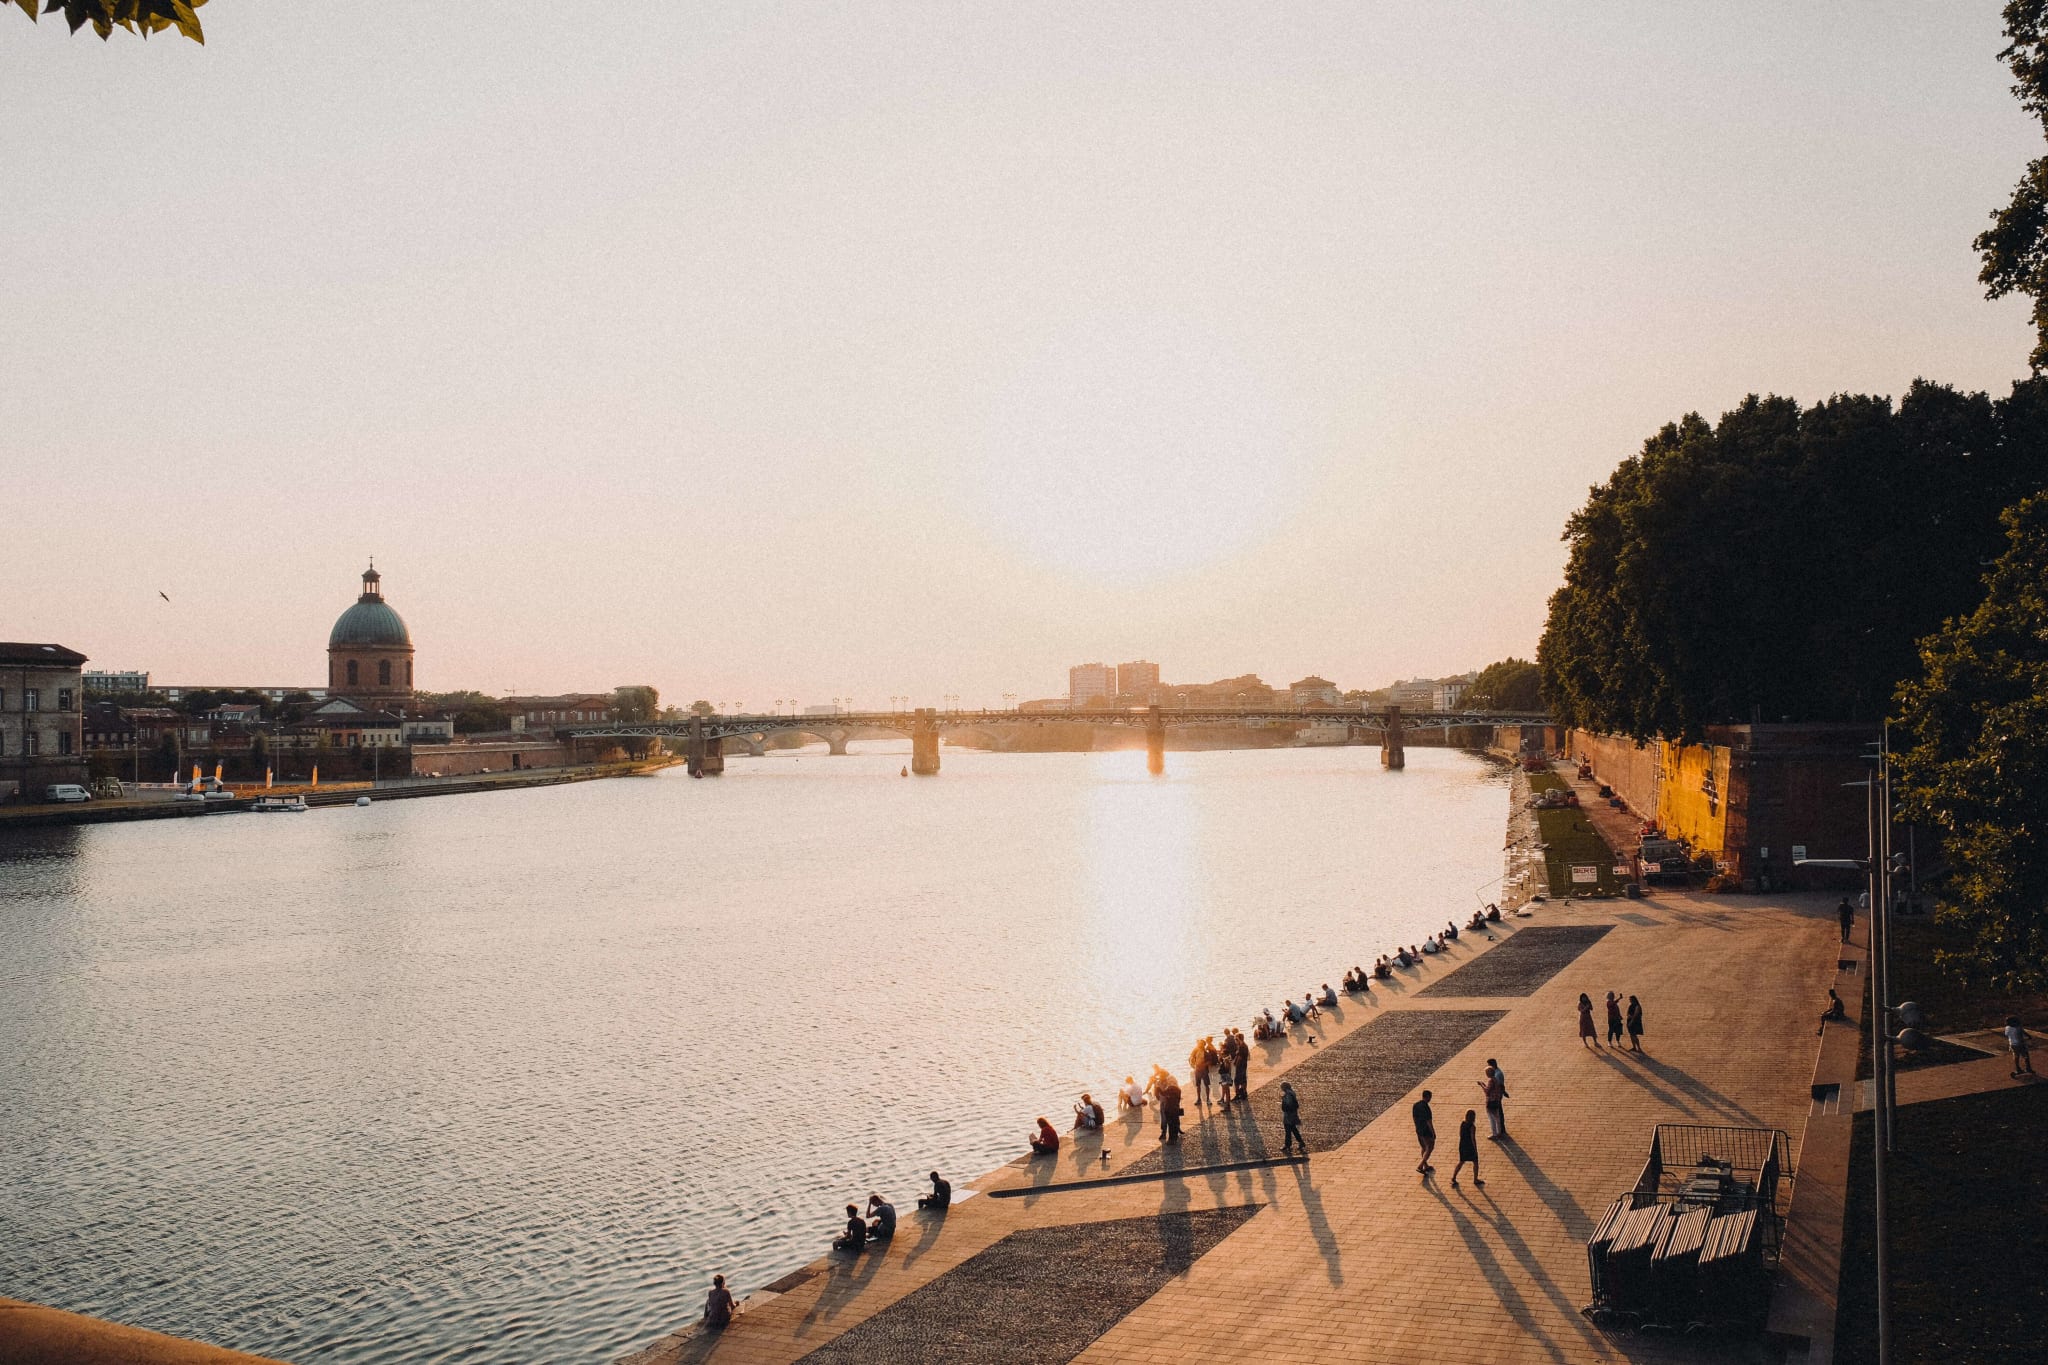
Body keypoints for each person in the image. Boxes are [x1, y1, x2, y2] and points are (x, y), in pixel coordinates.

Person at [1450, 1109, 1483, 1189]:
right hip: (1470, 1146)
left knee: (1461, 1161)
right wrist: (1475, 1148)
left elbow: (1460, 1134)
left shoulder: (1463, 1123)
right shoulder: (1472, 1127)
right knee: (1475, 1162)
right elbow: (1473, 1138)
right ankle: (1475, 1179)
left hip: (1462, 1144)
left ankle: (1454, 1177)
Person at [1479, 1060, 1508, 1139]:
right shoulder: (1496, 1079)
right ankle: (1499, 1132)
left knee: (1492, 1119)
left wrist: (1482, 1085)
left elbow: (1487, 1092)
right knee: (1497, 1117)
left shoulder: (1491, 1081)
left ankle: (1494, 1134)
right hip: (1496, 1101)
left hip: (1491, 1102)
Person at [1412, 1089, 1436, 1174]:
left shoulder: (1415, 1105)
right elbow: (1429, 1121)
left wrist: (1417, 1127)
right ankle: (1420, 1166)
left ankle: (1425, 1166)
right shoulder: (1426, 1107)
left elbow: (1414, 1118)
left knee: (1423, 1147)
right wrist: (1433, 1133)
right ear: (1428, 1097)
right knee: (1430, 1148)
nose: (1430, 1099)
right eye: (1430, 1097)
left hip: (1419, 1129)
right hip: (1426, 1130)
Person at [1280, 1080, 1306, 1156]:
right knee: (1294, 1129)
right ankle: (1301, 1142)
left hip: (1289, 1115)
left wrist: (1283, 1100)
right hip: (1293, 1115)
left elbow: (1288, 1105)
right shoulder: (1292, 1093)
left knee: (1288, 1130)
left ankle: (1287, 1145)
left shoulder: (1288, 1094)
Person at [1158, 1071, 1184, 1142]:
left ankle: (1172, 1137)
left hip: (1169, 1105)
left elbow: (1163, 1093)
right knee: (1168, 1120)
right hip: (1167, 1104)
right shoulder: (1176, 1088)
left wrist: (1159, 1091)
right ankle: (1166, 1134)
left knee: (1171, 1121)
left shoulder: (1170, 1085)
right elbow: (1158, 1094)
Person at [1190, 1040, 1213, 1107]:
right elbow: (1191, 1059)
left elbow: (1210, 1061)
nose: (1199, 1045)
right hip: (1197, 1071)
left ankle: (1208, 1099)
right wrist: (1193, 1065)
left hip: (1204, 1071)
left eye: (1201, 1044)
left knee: (1206, 1085)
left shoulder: (1206, 1053)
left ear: (1203, 1045)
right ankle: (1199, 1099)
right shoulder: (1195, 1051)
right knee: (1198, 1085)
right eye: (1199, 1044)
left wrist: (1204, 1065)